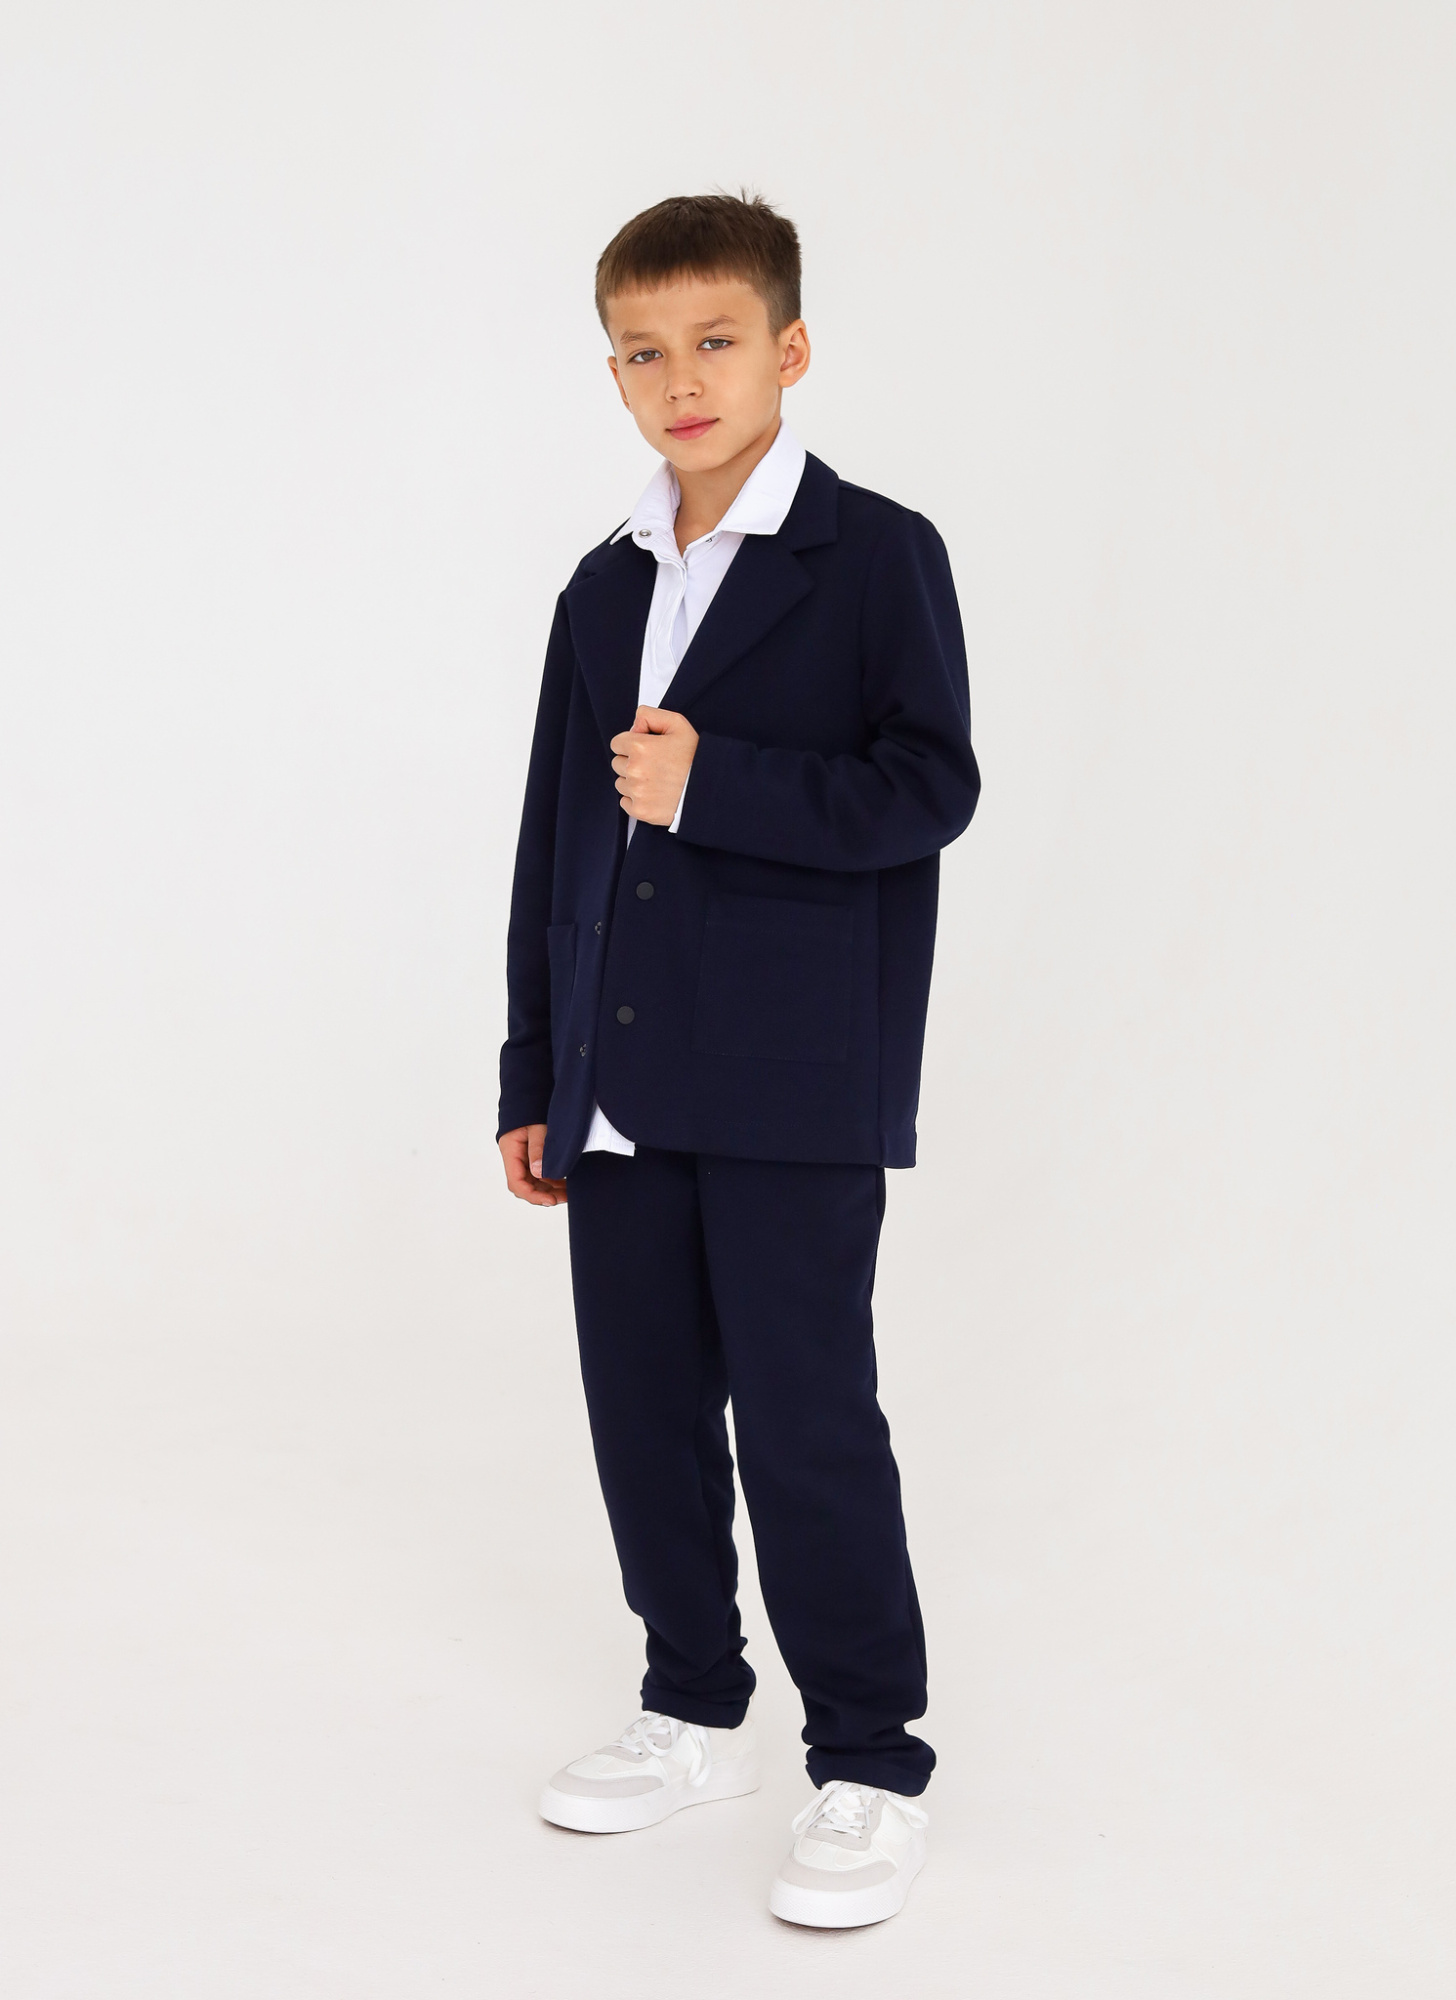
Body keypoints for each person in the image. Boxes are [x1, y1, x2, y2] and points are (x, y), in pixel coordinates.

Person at [496, 191, 980, 1928]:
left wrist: (719, 785)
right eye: (644, 352)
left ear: (790, 350)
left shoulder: (876, 555)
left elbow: (930, 787)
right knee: (641, 1411)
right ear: (613, 375)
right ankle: (693, 1706)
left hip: (792, 1074)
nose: (681, 379)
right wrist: (533, 1070)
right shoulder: (603, 583)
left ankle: (869, 1762)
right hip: (621, 1083)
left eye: (715, 341)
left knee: (801, 1417)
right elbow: (558, 838)